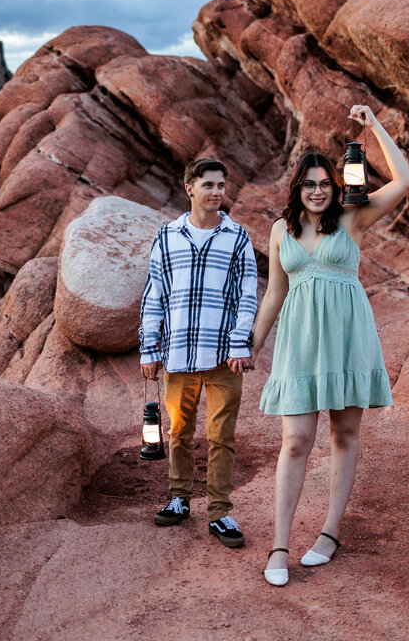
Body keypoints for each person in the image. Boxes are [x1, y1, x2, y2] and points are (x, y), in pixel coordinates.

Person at [252, 104, 409, 586]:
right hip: (301, 342)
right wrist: (251, 346)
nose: (319, 191)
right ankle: (280, 546)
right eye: (310, 184)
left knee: (344, 436)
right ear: (297, 188)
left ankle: (329, 532)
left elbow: (404, 178)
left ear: (336, 185)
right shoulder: (281, 230)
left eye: (326, 183)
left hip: (347, 338)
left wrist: (374, 127)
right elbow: (275, 293)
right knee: (296, 440)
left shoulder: (353, 217)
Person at [139, 158, 257, 548]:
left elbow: (246, 296)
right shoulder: (167, 236)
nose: (217, 192)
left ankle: (221, 513)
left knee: (221, 436)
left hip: (224, 356)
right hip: (177, 353)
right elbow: (154, 294)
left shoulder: (237, 237)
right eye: (208, 185)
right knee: (178, 432)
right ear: (189, 188)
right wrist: (149, 348)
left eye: (221, 185)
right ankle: (179, 499)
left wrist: (241, 342)